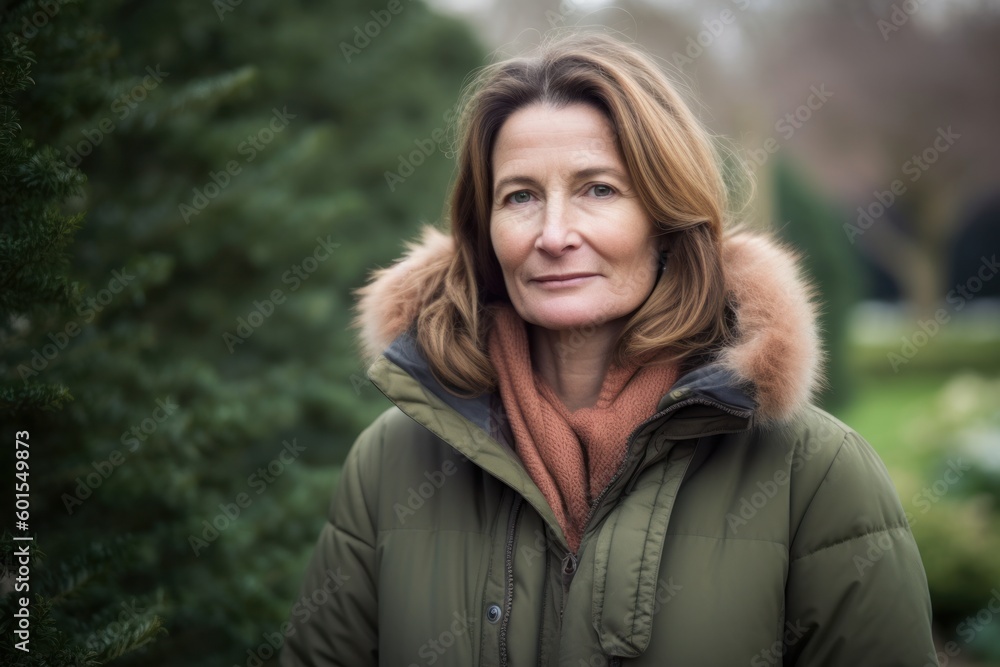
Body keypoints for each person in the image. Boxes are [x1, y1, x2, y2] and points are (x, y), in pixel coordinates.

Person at [281, 32, 937, 667]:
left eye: (598, 188)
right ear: (484, 231)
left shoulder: (814, 475)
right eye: (521, 196)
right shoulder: (391, 459)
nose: (555, 233)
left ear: (665, 216)